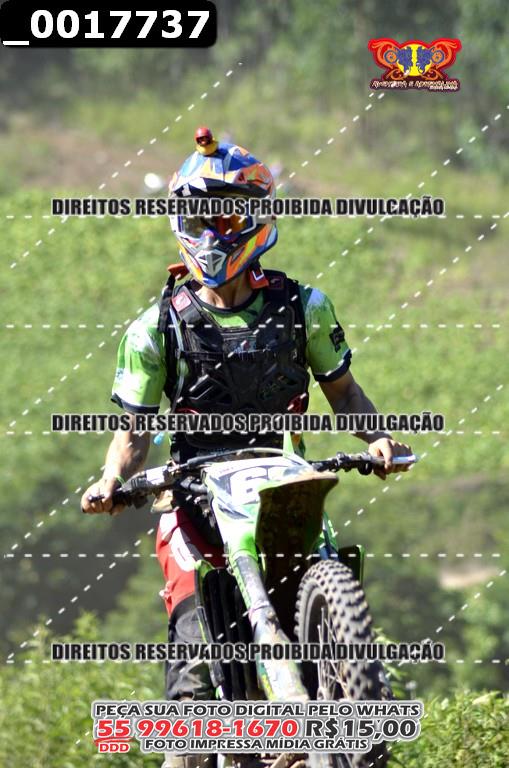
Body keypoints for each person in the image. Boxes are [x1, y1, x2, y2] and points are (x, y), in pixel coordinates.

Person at [81, 128, 411, 768]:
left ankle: (348, 713)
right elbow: (135, 428)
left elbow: (344, 392)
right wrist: (111, 479)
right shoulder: (155, 328)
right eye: (197, 218)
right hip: (190, 500)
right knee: (191, 676)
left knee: (330, 574)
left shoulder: (304, 307)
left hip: (283, 482)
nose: (210, 233)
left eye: (225, 216)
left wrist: (378, 439)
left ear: (255, 218)